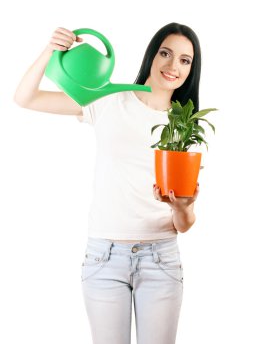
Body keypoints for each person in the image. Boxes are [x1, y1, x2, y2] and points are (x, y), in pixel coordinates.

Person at [14, 22, 201, 344]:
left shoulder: (186, 125)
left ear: (192, 70)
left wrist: (184, 207)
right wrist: (51, 51)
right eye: (165, 53)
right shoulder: (110, 100)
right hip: (104, 258)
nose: (173, 66)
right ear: (151, 55)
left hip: (162, 258)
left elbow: (183, 225)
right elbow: (26, 98)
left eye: (185, 60)